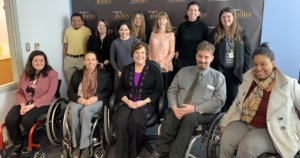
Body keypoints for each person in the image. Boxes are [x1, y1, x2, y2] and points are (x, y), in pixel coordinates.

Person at [219, 43, 300, 158]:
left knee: (246, 148)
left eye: (263, 64)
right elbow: (236, 103)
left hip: (270, 130)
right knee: (226, 140)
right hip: (245, 122)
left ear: (272, 64)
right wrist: (224, 123)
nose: (258, 68)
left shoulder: (288, 84)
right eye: (255, 64)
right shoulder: (248, 79)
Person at [151, 41, 226, 158]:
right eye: (200, 56)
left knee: (190, 118)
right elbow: (172, 90)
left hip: (203, 113)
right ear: (196, 56)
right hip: (179, 108)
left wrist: (195, 108)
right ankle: (160, 152)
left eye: (206, 57)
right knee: (170, 116)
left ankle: (175, 155)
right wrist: (174, 107)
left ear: (212, 58)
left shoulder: (218, 77)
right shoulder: (183, 71)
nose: (202, 60)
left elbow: (219, 101)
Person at [113, 42, 163, 158]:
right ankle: (121, 154)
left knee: (135, 120)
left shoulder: (154, 69)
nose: (139, 55)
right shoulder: (126, 69)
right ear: (133, 54)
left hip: (146, 103)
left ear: (146, 55)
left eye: (142, 52)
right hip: (127, 102)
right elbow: (119, 90)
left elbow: (158, 91)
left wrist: (143, 102)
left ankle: (133, 153)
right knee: (120, 119)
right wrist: (128, 101)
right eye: (137, 52)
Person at [5, 50, 58, 156]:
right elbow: (19, 92)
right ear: (31, 61)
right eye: (36, 60)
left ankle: (34, 142)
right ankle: (18, 143)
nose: (39, 63)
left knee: (27, 120)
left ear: (45, 61)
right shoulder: (25, 74)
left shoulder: (52, 74)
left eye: (41, 60)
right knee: (10, 119)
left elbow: (50, 94)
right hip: (25, 102)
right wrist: (23, 105)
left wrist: (31, 106)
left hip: (43, 103)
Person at [67, 52, 112, 158]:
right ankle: (76, 145)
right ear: (84, 62)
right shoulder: (77, 74)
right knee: (72, 111)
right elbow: (70, 92)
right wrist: (80, 100)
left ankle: (85, 145)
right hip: (79, 99)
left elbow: (109, 90)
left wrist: (96, 98)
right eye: (87, 59)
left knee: (85, 111)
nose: (90, 62)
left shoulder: (104, 74)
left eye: (93, 59)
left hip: (96, 100)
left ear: (96, 61)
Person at [208, 7, 251, 112]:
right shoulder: (214, 32)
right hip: (219, 71)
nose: (226, 19)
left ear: (233, 17)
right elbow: (208, 51)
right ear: (220, 19)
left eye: (228, 16)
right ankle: (219, 121)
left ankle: (230, 121)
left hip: (235, 71)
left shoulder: (241, 32)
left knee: (233, 98)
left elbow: (247, 52)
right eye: (223, 17)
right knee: (219, 97)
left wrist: (246, 71)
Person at [175, 1, 209, 70]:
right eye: (190, 10)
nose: (193, 12)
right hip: (183, 60)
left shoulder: (203, 26)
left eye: (195, 10)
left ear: (199, 13)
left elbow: (206, 44)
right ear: (187, 12)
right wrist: (177, 52)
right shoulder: (182, 26)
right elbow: (178, 43)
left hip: (198, 60)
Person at [149, 11, 175, 90]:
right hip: (153, 66)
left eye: (164, 19)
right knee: (153, 88)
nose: (161, 21)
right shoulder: (153, 33)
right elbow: (149, 49)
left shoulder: (170, 34)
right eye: (159, 19)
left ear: (167, 21)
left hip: (165, 67)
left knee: (164, 89)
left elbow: (172, 53)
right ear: (157, 21)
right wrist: (151, 63)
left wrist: (162, 63)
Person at [110, 21, 139, 88]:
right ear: (118, 31)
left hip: (134, 72)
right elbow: (112, 59)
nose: (124, 32)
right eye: (121, 30)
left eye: (126, 29)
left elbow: (140, 57)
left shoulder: (136, 41)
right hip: (120, 73)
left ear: (129, 30)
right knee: (119, 93)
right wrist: (118, 71)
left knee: (134, 93)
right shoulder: (115, 43)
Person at [63, 13, 91, 82]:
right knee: (71, 81)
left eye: (78, 20)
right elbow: (65, 46)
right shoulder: (67, 31)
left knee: (84, 80)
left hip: (82, 58)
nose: (76, 22)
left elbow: (90, 46)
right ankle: (73, 93)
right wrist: (64, 58)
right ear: (71, 22)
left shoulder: (87, 31)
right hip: (69, 59)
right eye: (73, 21)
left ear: (82, 22)